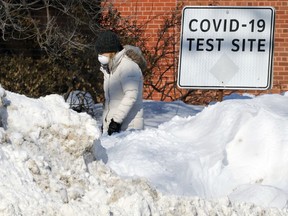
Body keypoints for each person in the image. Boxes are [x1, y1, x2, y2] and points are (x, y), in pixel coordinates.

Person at [95, 30, 146, 135]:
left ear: (112, 51)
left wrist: (116, 122)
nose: (100, 56)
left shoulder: (128, 67)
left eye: (102, 52)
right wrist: (106, 123)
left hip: (129, 128)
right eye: (99, 53)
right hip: (113, 128)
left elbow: (131, 96)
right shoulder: (109, 69)